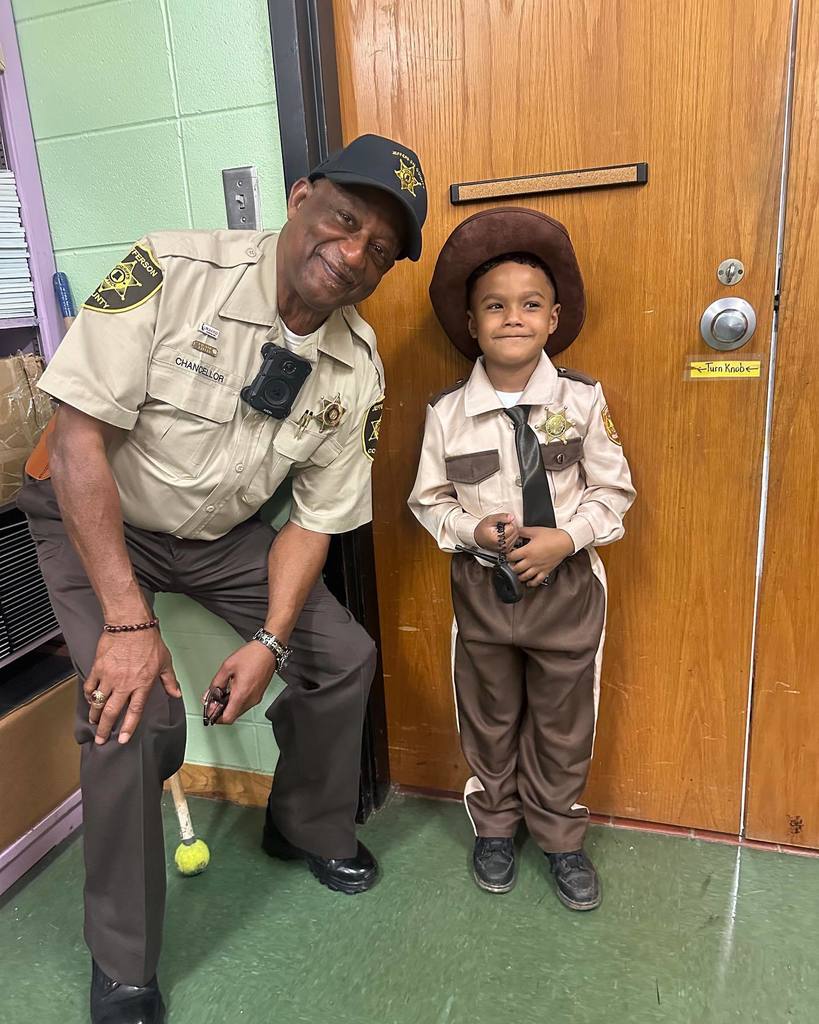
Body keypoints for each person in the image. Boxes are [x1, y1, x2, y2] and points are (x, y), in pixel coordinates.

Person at [18, 133, 426, 1023]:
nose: (353, 254)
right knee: (132, 712)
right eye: (345, 220)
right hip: (93, 511)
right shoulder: (171, 267)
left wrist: (271, 641)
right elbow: (81, 438)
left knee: (342, 655)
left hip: (212, 533)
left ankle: (303, 826)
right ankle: (123, 961)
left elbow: (315, 519)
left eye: (381, 252)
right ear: (299, 197)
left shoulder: (356, 369)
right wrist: (129, 626)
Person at [408, 207, 635, 911]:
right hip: (483, 598)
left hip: (567, 595)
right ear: (471, 323)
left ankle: (561, 838)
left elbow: (613, 490)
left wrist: (565, 537)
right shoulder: (447, 413)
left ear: (554, 317)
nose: (513, 317)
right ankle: (496, 828)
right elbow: (428, 500)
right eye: (495, 306)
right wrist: (474, 531)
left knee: (565, 724)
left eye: (530, 305)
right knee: (489, 716)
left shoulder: (582, 400)